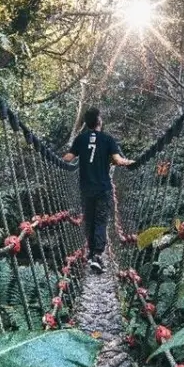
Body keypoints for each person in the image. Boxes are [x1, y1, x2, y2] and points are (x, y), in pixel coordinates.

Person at [63, 107, 133, 273]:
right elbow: (118, 160)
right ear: (99, 121)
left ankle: (91, 253)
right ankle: (97, 256)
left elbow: (69, 158)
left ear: (87, 123)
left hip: (86, 189)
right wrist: (131, 161)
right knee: (101, 221)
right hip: (103, 188)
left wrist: (49, 155)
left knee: (89, 220)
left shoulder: (80, 139)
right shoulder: (107, 139)